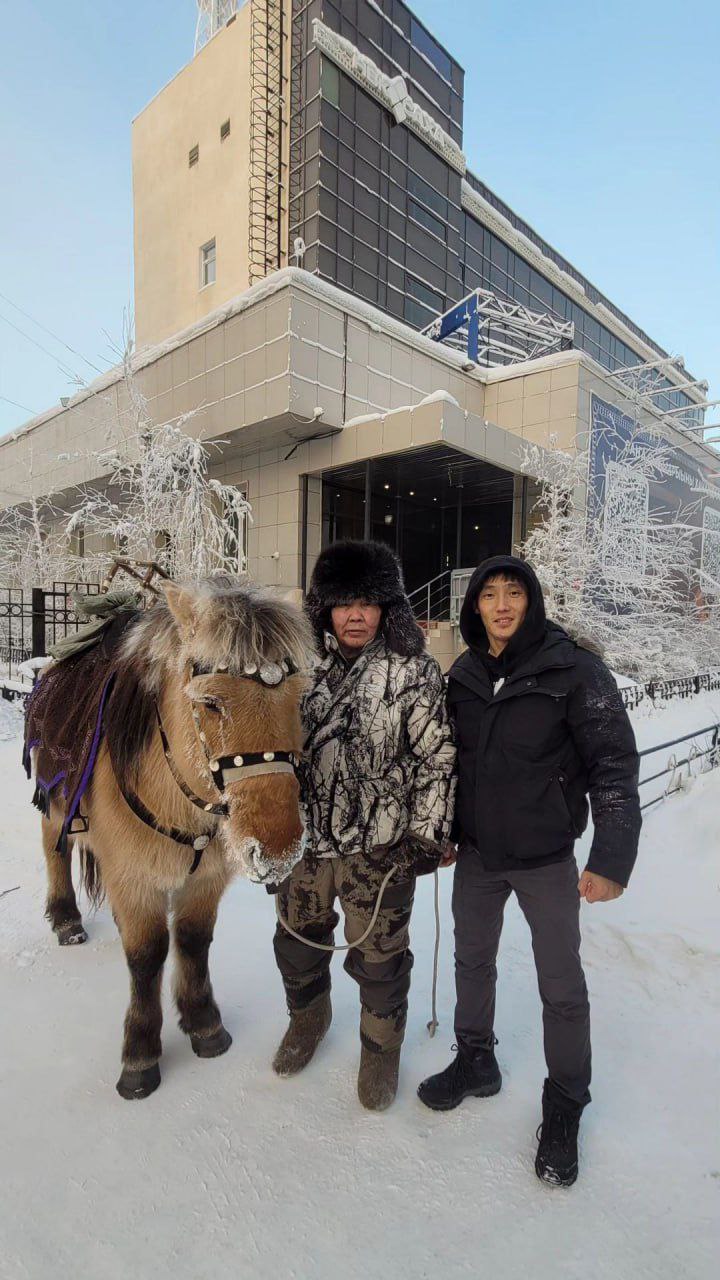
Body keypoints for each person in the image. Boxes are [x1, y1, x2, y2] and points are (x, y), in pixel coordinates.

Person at [417, 554, 641, 1186]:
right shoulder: (461, 674)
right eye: (490, 596)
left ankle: (566, 1103)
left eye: (514, 593)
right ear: (476, 607)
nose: (502, 605)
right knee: (471, 961)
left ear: (532, 601)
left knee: (561, 987)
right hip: (480, 857)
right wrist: (446, 833)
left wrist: (610, 859)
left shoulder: (574, 669)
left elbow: (614, 766)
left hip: (546, 859)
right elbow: (449, 765)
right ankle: (476, 1060)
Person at [272, 540, 456, 1110]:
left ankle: (381, 1050)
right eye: (344, 601)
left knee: (381, 963)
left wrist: (425, 834)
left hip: (382, 849)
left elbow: (438, 756)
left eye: (369, 602)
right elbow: (266, 750)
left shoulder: (413, 670)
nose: (356, 615)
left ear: (387, 608)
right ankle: (309, 1018)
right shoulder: (294, 666)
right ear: (325, 606)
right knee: (296, 944)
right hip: (306, 844)